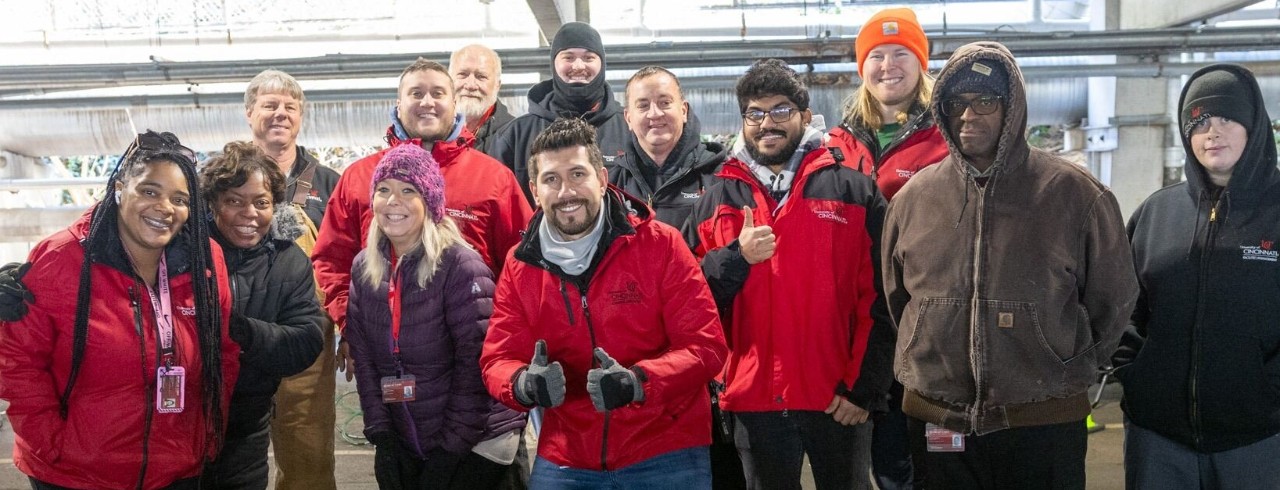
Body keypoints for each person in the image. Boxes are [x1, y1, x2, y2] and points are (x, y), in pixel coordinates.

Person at [881, 42, 1138, 489]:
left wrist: (1067, 361)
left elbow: (1113, 299)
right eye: (956, 103)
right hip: (939, 419)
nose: (968, 115)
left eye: (985, 101)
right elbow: (898, 300)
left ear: (1012, 107)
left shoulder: (1075, 195)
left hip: (1044, 419)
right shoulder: (913, 200)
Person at [311, 57, 530, 485]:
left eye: (437, 93)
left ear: (455, 103)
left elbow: (522, 265)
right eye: (416, 93)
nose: (427, 102)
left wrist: (504, 338)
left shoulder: (494, 179)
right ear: (398, 102)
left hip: (476, 377)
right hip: (400, 383)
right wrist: (355, 326)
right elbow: (332, 261)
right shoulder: (359, 178)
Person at [480, 117, 728, 488]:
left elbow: (706, 347)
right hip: (567, 454)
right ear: (534, 190)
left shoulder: (661, 245)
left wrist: (638, 382)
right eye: (551, 179)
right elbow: (497, 359)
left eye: (577, 174)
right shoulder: (521, 264)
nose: (566, 191)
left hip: (664, 449)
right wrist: (523, 384)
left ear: (601, 178)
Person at [684, 59, 893, 490]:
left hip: (837, 397)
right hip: (753, 399)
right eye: (755, 114)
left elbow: (882, 296)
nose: (767, 124)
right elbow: (690, 298)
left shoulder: (853, 191)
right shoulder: (715, 199)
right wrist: (735, 258)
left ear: (803, 113)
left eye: (780, 111)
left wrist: (863, 389)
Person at [0, 131, 240, 490]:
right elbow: (18, 360)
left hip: (175, 470)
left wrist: (204, 434)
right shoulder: (61, 258)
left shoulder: (206, 260)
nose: (165, 208)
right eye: (149, 191)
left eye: (180, 199)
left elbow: (222, 351)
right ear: (119, 188)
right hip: (75, 473)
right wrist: (52, 442)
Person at [1116, 64, 1280, 489]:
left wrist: (1269, 392)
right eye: (1200, 120)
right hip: (1159, 438)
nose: (1213, 132)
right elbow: (1123, 304)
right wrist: (1136, 373)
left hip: (1260, 437)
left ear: (1254, 125)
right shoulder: (1157, 212)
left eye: (1227, 118)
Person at [825, 8, 946, 489]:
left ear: (921, 62)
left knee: (926, 459)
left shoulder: (948, 135)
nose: (888, 65)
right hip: (860, 322)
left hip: (927, 321)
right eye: (876, 55)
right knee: (877, 458)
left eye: (902, 53)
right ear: (862, 67)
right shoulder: (837, 142)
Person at [346, 144, 500, 489]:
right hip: (412, 433)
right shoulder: (364, 268)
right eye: (383, 190)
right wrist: (382, 438)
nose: (392, 201)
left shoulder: (460, 266)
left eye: (408, 190)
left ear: (430, 201)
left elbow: (475, 369)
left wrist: (448, 454)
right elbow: (368, 363)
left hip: (475, 438)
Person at [198, 142, 326, 490]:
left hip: (247, 424)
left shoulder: (288, 261)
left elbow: (306, 340)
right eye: (234, 201)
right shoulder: (185, 254)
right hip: (180, 421)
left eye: (261, 202)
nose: (249, 213)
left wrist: (244, 332)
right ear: (213, 204)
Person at [242, 68, 341, 490]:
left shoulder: (330, 184)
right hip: (236, 336)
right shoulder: (222, 176)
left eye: (290, 106)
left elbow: (349, 260)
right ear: (249, 113)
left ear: (301, 115)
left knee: (308, 456)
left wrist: (352, 323)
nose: (280, 113)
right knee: (228, 453)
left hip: (307, 340)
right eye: (269, 105)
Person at [488, 22, 630, 205]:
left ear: (602, 63)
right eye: (568, 57)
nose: (578, 66)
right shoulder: (514, 136)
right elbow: (498, 204)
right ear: (554, 63)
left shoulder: (630, 128)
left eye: (588, 58)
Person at [612, 65, 726, 229]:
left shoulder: (719, 179)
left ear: (683, 110)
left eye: (665, 103)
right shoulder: (612, 185)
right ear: (628, 118)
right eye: (643, 105)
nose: (655, 113)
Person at [450, 44, 515, 154]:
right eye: (462, 74)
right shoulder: (432, 132)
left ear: (497, 85)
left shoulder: (515, 136)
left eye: (481, 76)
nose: (470, 85)